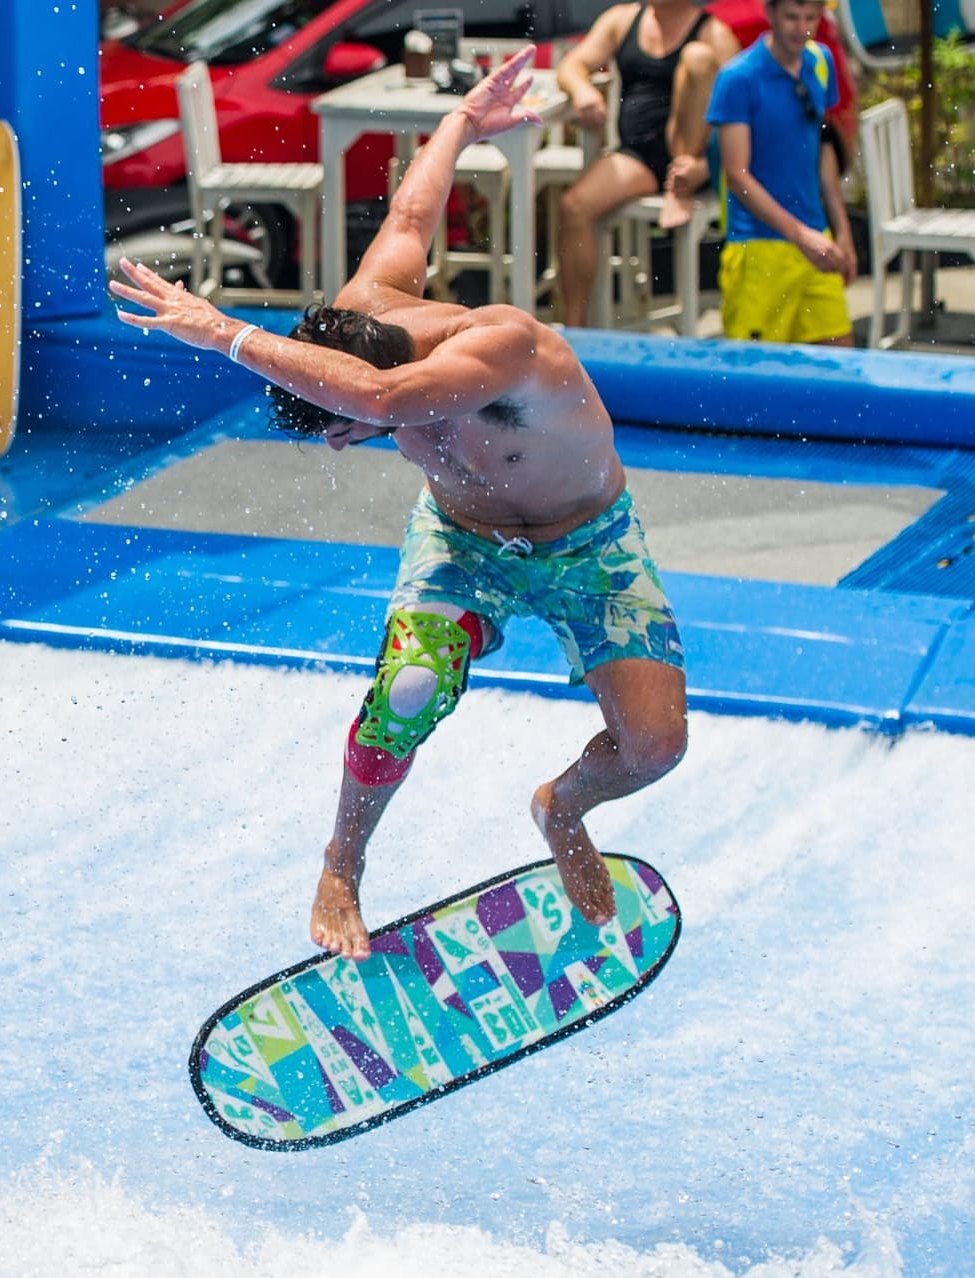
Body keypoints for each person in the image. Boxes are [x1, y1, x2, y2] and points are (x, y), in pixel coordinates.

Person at [110, 47, 688, 960]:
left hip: (591, 546)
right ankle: (342, 864)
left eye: (344, 424)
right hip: (464, 540)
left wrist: (223, 330)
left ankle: (563, 810)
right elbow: (411, 212)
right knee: (408, 691)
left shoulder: (498, 352)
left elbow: (376, 405)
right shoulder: (369, 312)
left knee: (655, 747)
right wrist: (461, 120)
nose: (348, 437)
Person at [554, 0, 740, 328]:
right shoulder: (622, 19)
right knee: (574, 207)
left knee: (697, 59)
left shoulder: (714, 34)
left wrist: (707, 168)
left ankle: (680, 185)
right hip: (640, 155)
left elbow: (745, 114)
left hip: (694, 161)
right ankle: (575, 332)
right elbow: (572, 64)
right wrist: (583, 91)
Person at [706, 0, 856, 345]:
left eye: (810, 18)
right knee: (755, 383)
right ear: (770, 14)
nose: (800, 27)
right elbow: (737, 175)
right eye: (791, 16)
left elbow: (823, 150)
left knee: (840, 367)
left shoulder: (820, 62)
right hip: (758, 250)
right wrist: (801, 236)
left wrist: (842, 232)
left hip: (817, 241)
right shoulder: (737, 78)